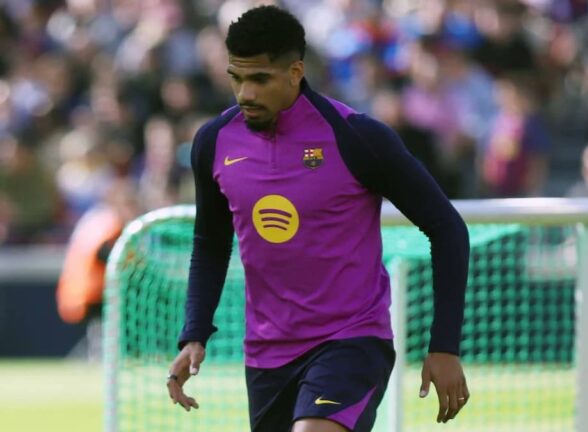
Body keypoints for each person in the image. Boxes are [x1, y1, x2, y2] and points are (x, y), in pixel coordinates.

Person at [165, 6, 470, 432]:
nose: (245, 93)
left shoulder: (356, 137)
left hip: (351, 340)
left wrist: (445, 345)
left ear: (295, 72)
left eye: (260, 79)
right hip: (266, 354)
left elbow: (447, 227)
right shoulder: (213, 142)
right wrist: (194, 332)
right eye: (236, 78)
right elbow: (211, 243)